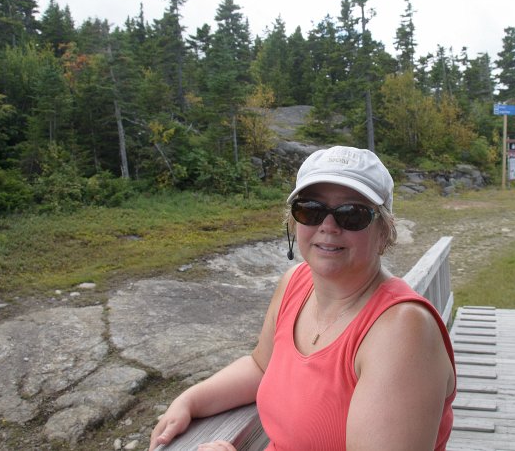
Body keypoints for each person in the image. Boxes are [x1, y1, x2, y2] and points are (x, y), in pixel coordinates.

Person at [149, 146, 456, 451]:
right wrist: (189, 401)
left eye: (352, 214)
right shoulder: (295, 284)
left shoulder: (403, 331)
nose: (328, 226)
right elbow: (260, 366)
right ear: (294, 222)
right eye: (310, 209)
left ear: (384, 232)